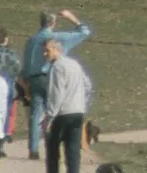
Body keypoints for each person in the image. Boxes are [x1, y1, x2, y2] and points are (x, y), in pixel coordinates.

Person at [19, 10, 92, 160]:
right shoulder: (56, 38)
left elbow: (26, 63)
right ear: (53, 23)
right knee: (56, 110)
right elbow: (85, 32)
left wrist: (26, 82)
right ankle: (54, 144)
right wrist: (72, 18)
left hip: (33, 79)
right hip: (50, 76)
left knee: (35, 114)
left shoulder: (31, 40)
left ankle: (33, 149)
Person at [35, 37, 91, 173]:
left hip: (62, 114)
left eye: (48, 51)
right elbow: (87, 85)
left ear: (57, 49)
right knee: (73, 154)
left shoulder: (57, 67)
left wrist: (49, 117)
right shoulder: (75, 64)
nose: (45, 54)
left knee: (53, 153)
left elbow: (56, 94)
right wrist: (82, 102)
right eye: (44, 51)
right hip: (77, 112)